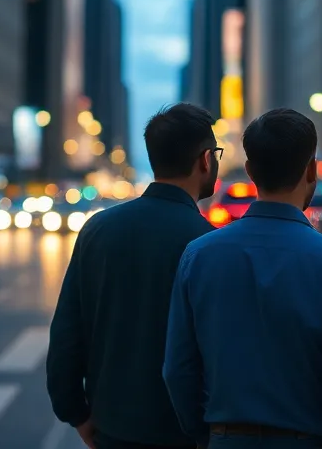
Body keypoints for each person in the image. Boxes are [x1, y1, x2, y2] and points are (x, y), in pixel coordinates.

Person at [164, 108, 322, 449]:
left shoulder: (198, 255)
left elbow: (178, 370)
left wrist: (206, 435)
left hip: (225, 439)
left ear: (250, 171)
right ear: (311, 170)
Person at [46, 103, 217, 449]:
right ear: (205, 160)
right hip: (184, 435)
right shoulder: (210, 243)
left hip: (113, 429)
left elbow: (66, 335)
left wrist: (77, 414)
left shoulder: (98, 230)